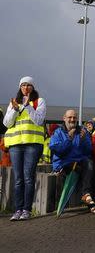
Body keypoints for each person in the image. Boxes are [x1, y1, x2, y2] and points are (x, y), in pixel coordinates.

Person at [3, 76, 46, 221]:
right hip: (16, 145)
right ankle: (17, 209)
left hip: (32, 144)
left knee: (28, 177)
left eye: (28, 85)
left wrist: (27, 106)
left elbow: (39, 120)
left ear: (32, 88)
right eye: (23, 85)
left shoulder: (38, 101)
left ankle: (27, 209)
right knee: (18, 179)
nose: (26, 88)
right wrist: (15, 110)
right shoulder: (14, 103)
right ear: (20, 88)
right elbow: (7, 124)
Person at [50, 110, 95, 214]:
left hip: (79, 162)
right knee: (83, 169)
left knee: (89, 164)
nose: (72, 120)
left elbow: (88, 151)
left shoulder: (82, 131)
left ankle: (86, 195)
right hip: (63, 163)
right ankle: (90, 202)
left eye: (74, 117)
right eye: (70, 117)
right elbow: (58, 151)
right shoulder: (58, 132)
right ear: (64, 118)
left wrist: (83, 141)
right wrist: (69, 138)